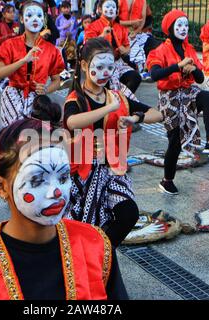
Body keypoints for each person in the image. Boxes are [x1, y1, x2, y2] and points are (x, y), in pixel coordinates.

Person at [0, 117, 128, 300]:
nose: (56, 192)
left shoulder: (95, 246)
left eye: (63, 177)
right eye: (38, 180)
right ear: (1, 187)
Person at [63, 37, 164, 246]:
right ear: (83, 65)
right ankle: (87, 259)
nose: (104, 73)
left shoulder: (118, 97)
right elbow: (71, 122)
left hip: (113, 170)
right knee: (84, 226)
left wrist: (135, 118)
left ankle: (102, 255)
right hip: (83, 172)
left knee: (128, 213)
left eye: (109, 67)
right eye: (98, 67)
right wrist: (108, 108)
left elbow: (157, 114)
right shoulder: (76, 98)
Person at [147, 9, 209, 195]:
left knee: (208, 97)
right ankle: (167, 180)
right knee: (174, 142)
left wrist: (191, 68)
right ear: (170, 28)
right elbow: (154, 75)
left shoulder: (189, 48)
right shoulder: (159, 50)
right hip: (170, 97)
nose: (184, 29)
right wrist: (178, 66)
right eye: (179, 25)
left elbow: (200, 79)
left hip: (189, 92)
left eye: (186, 25)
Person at [0, 0, 64, 127]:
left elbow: (56, 81)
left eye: (39, 16)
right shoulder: (10, 44)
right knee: (16, 134)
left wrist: (46, 89)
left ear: (44, 20)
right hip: (13, 94)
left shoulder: (51, 49)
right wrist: (23, 60)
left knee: (34, 137)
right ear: (22, 19)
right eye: (30, 15)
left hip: (36, 99)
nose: (35, 19)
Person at [84, 0, 142, 95]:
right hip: (101, 64)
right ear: (99, 9)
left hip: (118, 62)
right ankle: (116, 102)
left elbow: (127, 47)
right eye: (108, 6)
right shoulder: (93, 26)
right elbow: (87, 45)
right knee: (112, 86)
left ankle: (122, 101)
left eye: (113, 7)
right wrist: (102, 35)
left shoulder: (120, 27)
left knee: (135, 77)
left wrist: (125, 50)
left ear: (116, 10)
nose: (111, 9)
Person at [56, 1, 78, 68]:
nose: (66, 9)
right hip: (61, 39)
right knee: (61, 51)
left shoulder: (73, 19)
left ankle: (72, 65)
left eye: (68, 8)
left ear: (70, 8)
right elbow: (56, 28)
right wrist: (64, 28)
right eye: (64, 8)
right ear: (61, 9)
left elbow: (75, 29)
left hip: (71, 38)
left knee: (72, 48)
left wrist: (71, 34)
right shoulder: (59, 18)